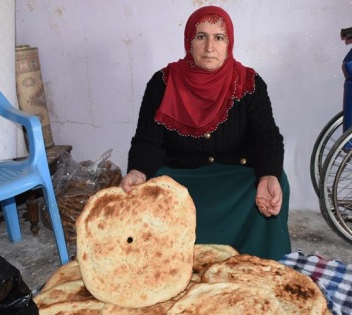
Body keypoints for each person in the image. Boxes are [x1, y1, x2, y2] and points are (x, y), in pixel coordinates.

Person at [120, 5, 291, 260]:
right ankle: (172, 264)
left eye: (219, 37)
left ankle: (259, 264)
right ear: (189, 42)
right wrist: (138, 170)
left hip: (233, 178)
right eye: (201, 36)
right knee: (145, 192)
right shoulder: (162, 83)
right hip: (181, 178)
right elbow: (148, 139)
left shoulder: (249, 83)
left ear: (228, 44)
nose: (210, 47)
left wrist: (268, 174)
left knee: (276, 182)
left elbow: (266, 137)